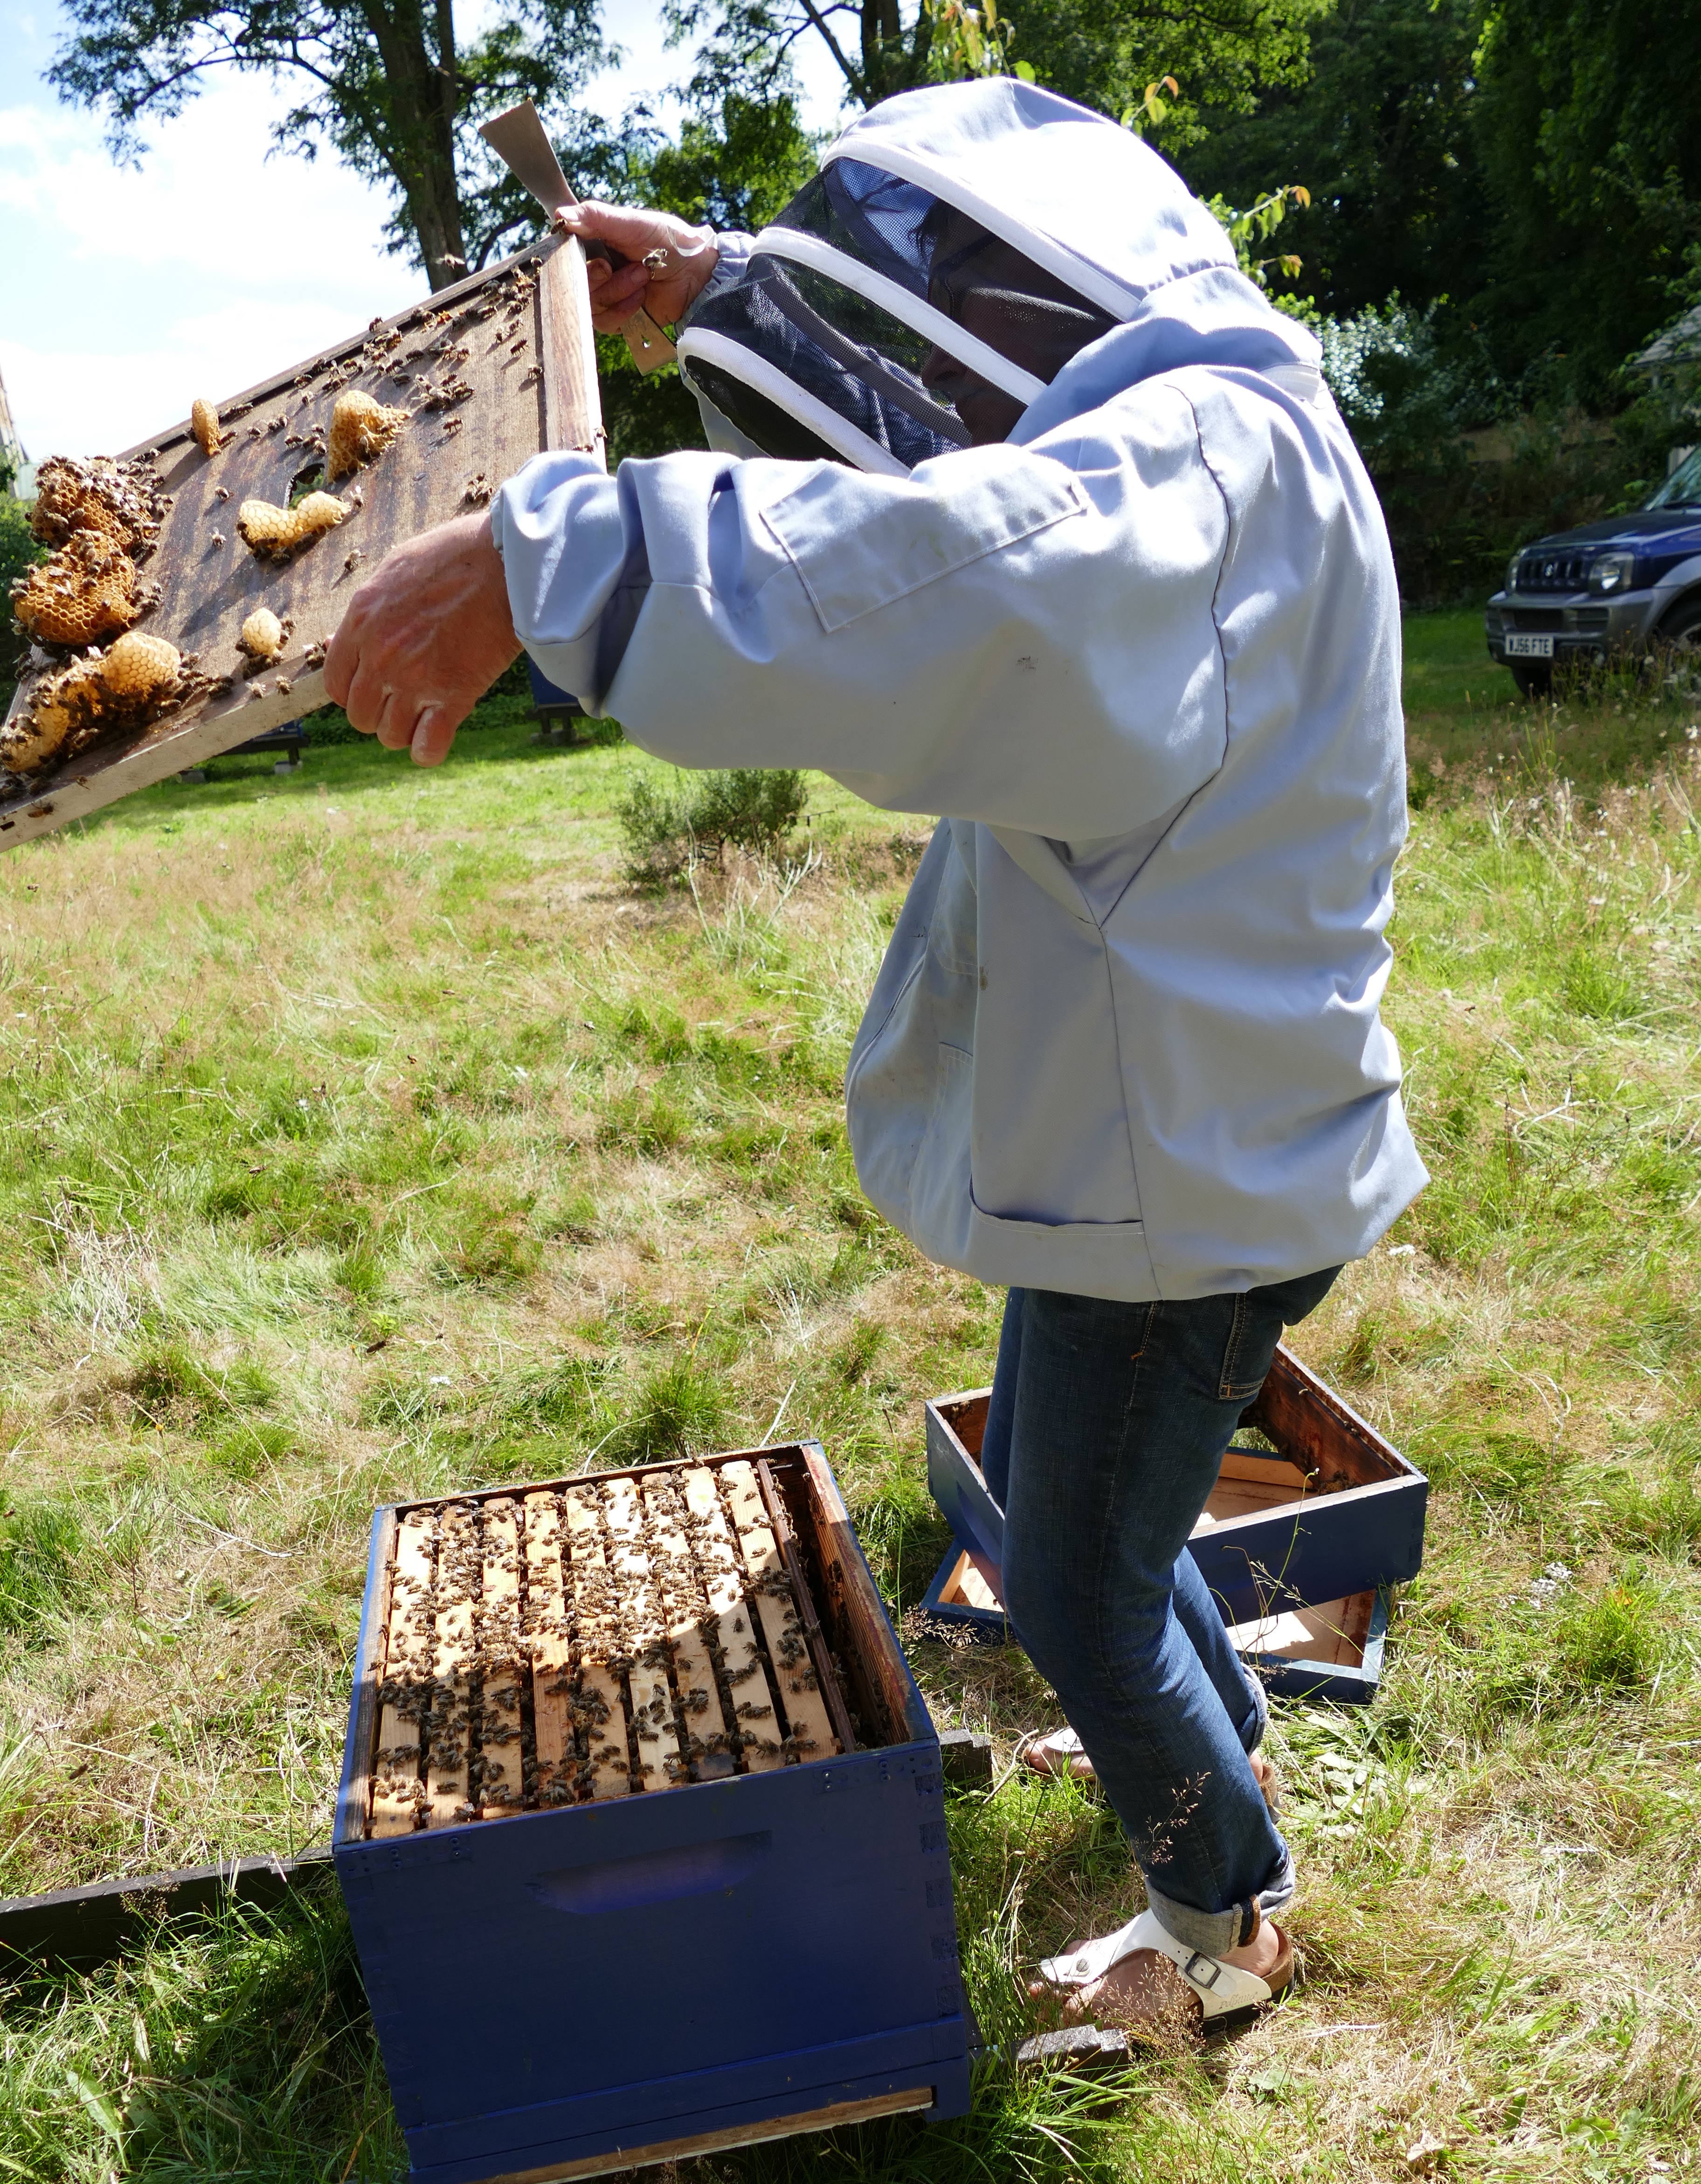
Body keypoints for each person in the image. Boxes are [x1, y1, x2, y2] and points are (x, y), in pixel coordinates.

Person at [324, 78, 1426, 2032]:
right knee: (1094, 1525)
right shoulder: (1224, 426)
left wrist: (544, 564)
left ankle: (1224, 1933)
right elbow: (966, 472)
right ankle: (1211, 1762)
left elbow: (948, 566)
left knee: (1082, 1585)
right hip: (1171, 1138)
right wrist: (734, 299)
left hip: (1174, 1182)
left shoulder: (1182, 474)